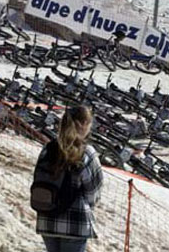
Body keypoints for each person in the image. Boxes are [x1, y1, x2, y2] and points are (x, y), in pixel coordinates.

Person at [36, 106, 103, 252]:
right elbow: (93, 194)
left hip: (47, 219)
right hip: (74, 223)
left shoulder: (48, 148)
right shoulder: (87, 153)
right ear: (84, 124)